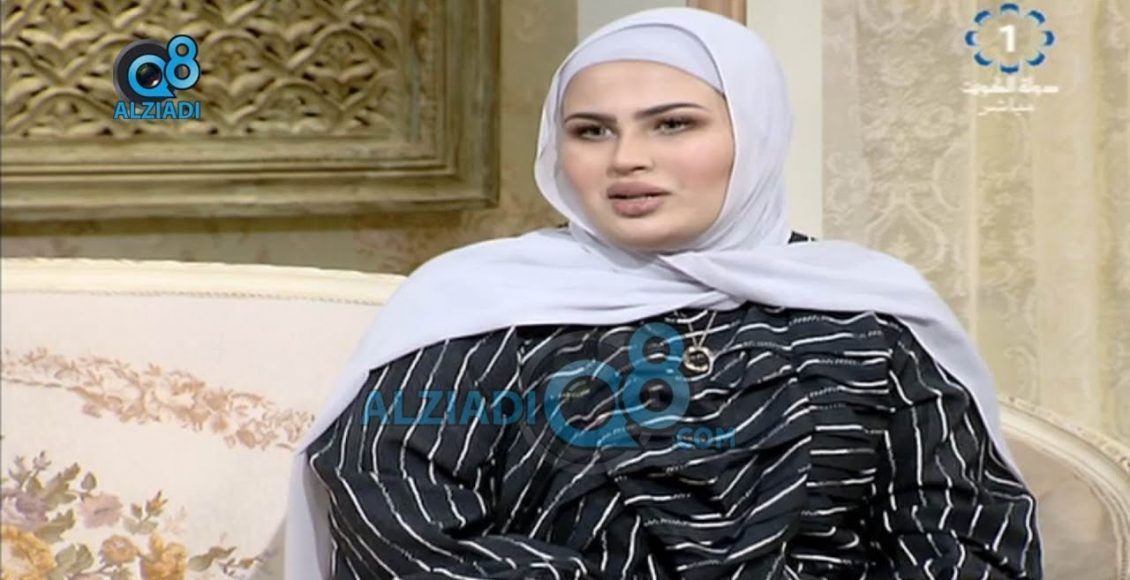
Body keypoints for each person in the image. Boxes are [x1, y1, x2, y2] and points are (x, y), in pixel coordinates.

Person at [287, 7, 1042, 579]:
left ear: (755, 134)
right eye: (591, 131)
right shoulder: (473, 305)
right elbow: (393, 518)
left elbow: (963, 531)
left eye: (673, 124)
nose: (628, 160)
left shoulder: (865, 311)